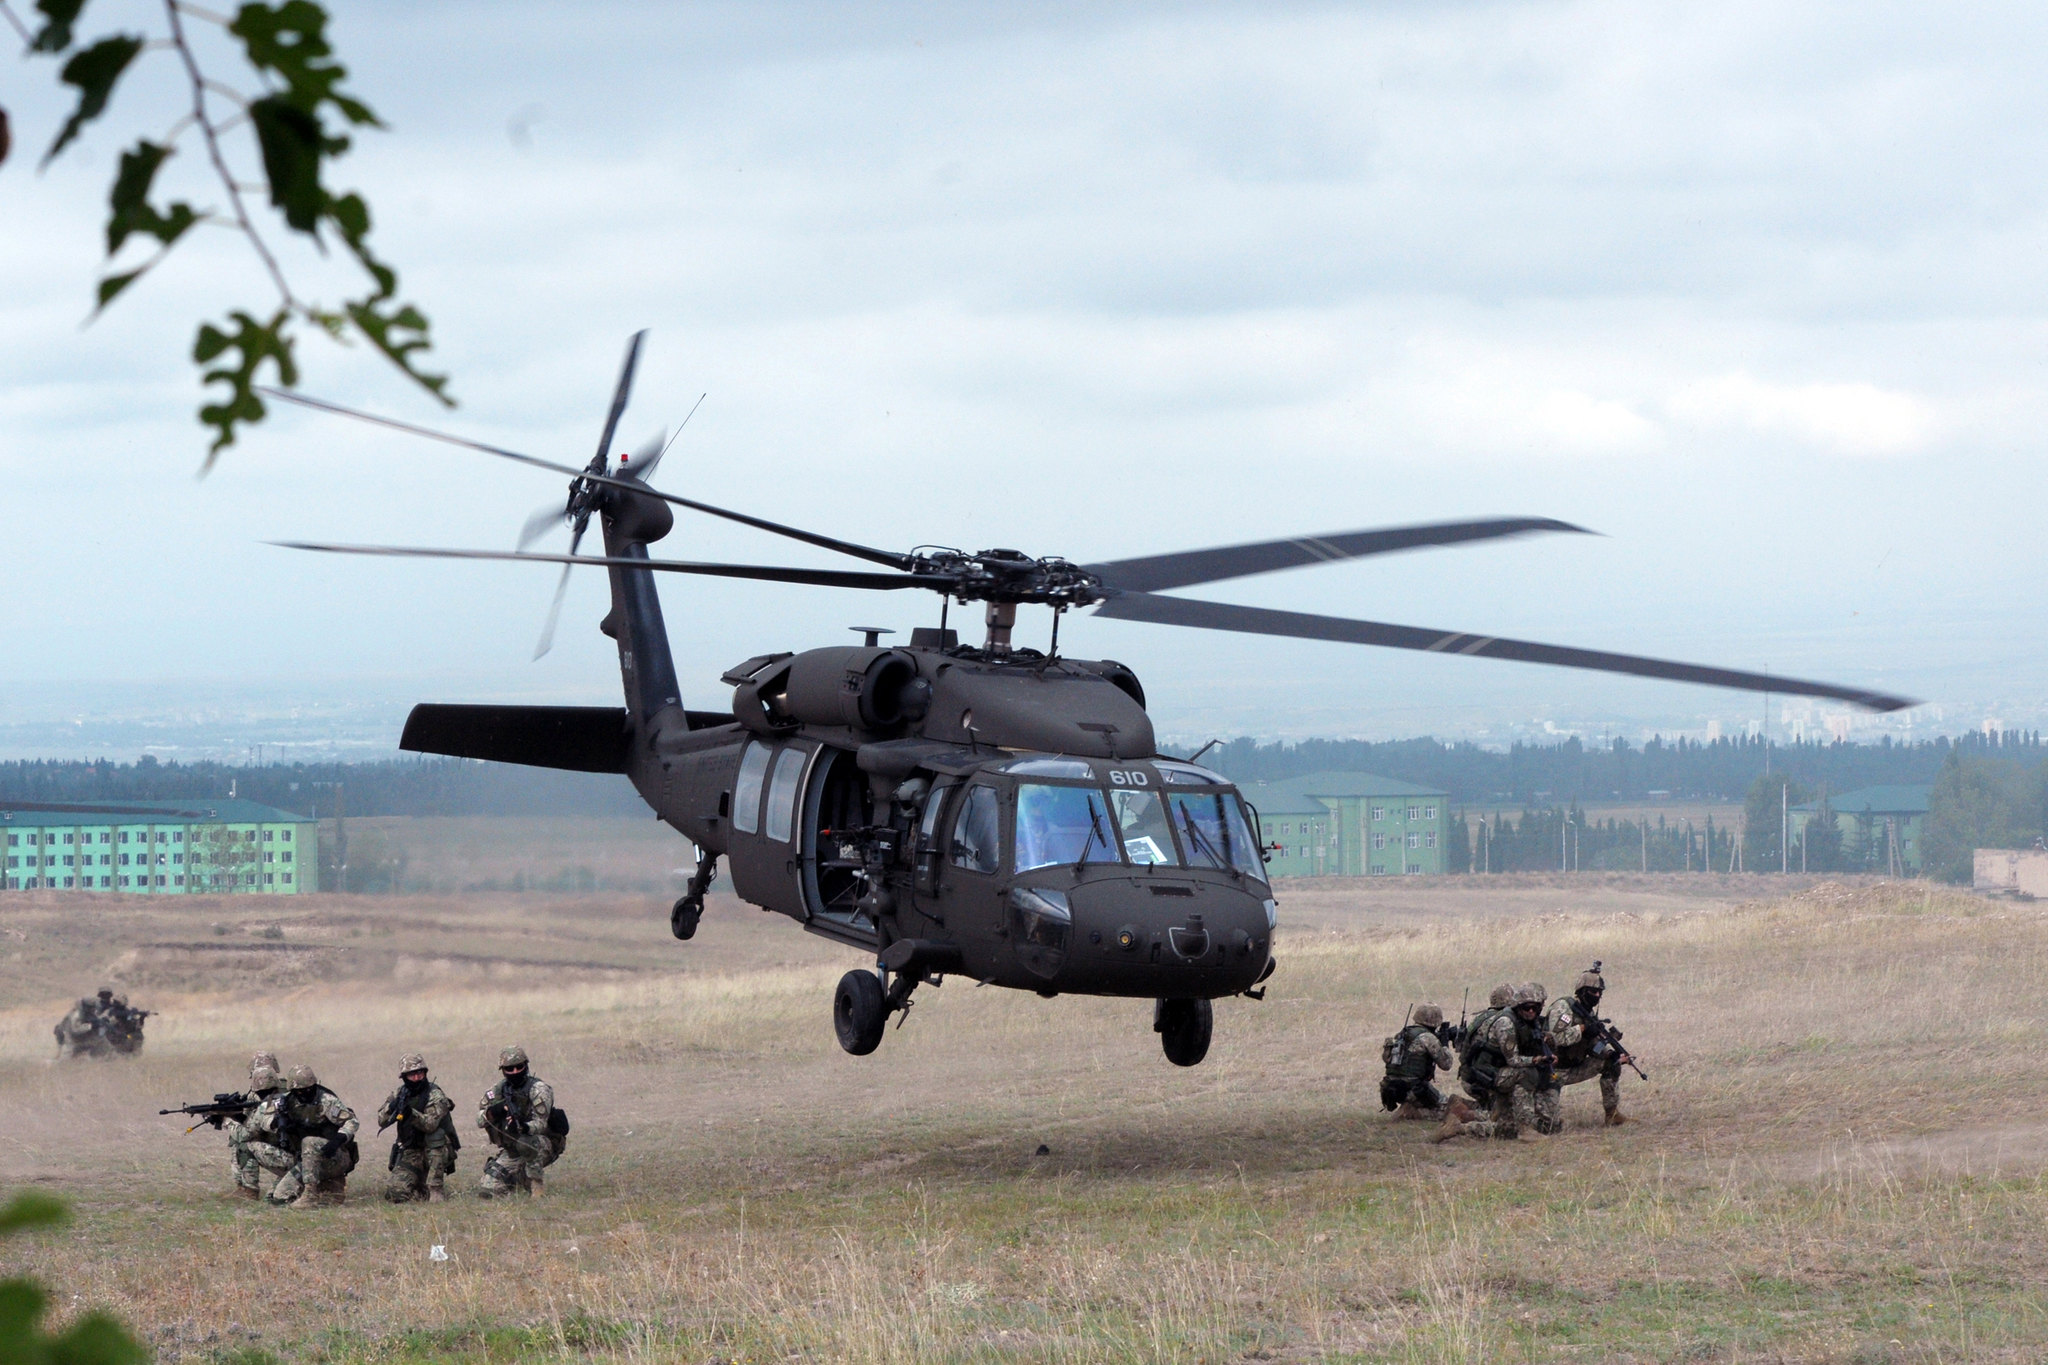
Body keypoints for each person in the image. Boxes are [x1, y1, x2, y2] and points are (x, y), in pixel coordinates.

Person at [1434, 984, 1556, 1141]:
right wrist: (1536, 1060)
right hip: (1488, 1075)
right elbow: (1514, 1060)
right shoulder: (1505, 1023)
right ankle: (1525, 1130)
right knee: (1527, 1073)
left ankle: (1460, 1128)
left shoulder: (1521, 1021)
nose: (1531, 1011)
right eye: (1527, 1007)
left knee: (1507, 1128)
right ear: (1517, 1005)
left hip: (1490, 1073)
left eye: (1536, 1007)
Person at [252, 1064, 360, 1208]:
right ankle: (326, 1187)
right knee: (278, 1198)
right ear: (292, 1090)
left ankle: (311, 1194)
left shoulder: (326, 1100)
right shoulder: (283, 1102)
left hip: (333, 1157)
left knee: (309, 1142)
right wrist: (276, 1123)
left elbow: (351, 1121)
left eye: (309, 1089)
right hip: (305, 1160)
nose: (305, 1093)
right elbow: (264, 1119)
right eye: (300, 1091)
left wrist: (338, 1139)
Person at [1546, 967, 1632, 1127]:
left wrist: (1610, 1054)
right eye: (1593, 992)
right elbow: (1557, 1037)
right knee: (1550, 1125)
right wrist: (1583, 1029)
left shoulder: (1589, 1015)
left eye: (1600, 992)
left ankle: (1612, 1114)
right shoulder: (1564, 1008)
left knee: (1611, 1065)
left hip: (1574, 1067)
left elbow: (1593, 1047)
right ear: (1582, 991)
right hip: (1551, 1072)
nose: (1597, 996)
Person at [476, 1045, 562, 1200]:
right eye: (510, 1068)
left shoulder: (538, 1089)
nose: (515, 1072)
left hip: (543, 1143)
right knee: (487, 1189)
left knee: (525, 1142)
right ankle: (520, 1176)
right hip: (513, 1147)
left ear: (526, 1066)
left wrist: (524, 1126)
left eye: (519, 1067)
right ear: (503, 1070)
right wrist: (493, 1112)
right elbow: (479, 1120)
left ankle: (536, 1184)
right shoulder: (498, 1090)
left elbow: (541, 1123)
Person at [377, 1052, 457, 1203]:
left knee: (436, 1138)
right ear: (404, 1077)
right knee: (395, 1194)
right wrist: (392, 1107)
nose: (416, 1078)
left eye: (420, 1073)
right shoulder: (399, 1093)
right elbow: (381, 1120)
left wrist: (410, 1113)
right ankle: (419, 1186)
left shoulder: (435, 1094)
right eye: (411, 1075)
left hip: (436, 1151)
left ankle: (435, 1188)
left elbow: (430, 1125)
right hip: (412, 1150)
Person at [227, 1059, 293, 1199]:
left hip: (290, 1159)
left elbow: (244, 1135)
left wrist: (226, 1120)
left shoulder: (266, 1105)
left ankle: (249, 1191)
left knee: (247, 1145)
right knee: (272, 1197)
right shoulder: (293, 1096)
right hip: (305, 1157)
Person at [1380, 1004, 1456, 1118]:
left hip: (1390, 1087)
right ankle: (1413, 1113)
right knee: (1447, 1110)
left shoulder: (1402, 1034)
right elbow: (1446, 1064)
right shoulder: (1428, 1038)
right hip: (1414, 1089)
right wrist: (1444, 1044)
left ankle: (1409, 1107)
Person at [1455, 983, 1516, 1111]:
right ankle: (1464, 1111)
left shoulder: (1480, 1018)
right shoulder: (1503, 1021)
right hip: (1484, 1079)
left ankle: (1464, 1105)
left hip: (1470, 1076)